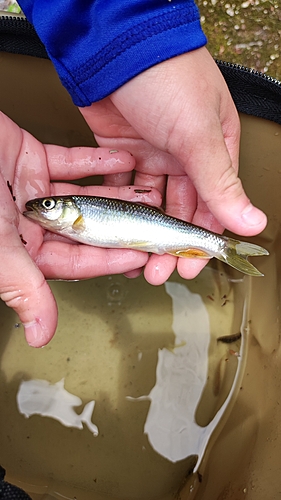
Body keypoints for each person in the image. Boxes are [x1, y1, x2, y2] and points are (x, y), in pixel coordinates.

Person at [1, 0, 267, 347]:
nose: (43, 207)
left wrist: (138, 51)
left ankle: (222, 247)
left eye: (49, 205)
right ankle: (221, 247)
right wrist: (135, 39)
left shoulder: (75, 218)